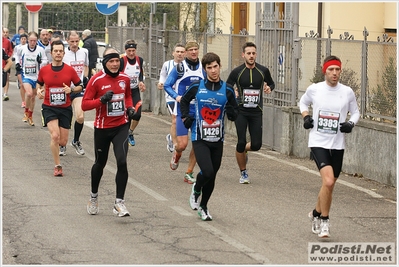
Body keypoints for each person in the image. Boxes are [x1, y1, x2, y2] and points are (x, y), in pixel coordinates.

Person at [300, 55, 360, 238]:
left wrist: (350, 124)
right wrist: (306, 117)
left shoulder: (347, 91)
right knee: (328, 181)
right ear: (324, 71)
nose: (334, 73)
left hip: (337, 143)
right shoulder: (315, 89)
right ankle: (324, 222)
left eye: (337, 70)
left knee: (330, 185)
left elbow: (356, 112)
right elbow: (303, 102)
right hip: (318, 141)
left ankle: (315, 213)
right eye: (331, 70)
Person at [181, 52, 238, 221]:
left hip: (218, 139)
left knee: (212, 175)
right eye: (209, 68)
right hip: (200, 137)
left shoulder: (227, 90)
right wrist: (186, 117)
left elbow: (235, 113)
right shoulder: (197, 86)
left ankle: (204, 206)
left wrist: (231, 112)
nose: (213, 70)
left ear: (220, 66)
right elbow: (184, 101)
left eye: (216, 66)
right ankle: (196, 189)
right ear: (204, 69)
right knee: (207, 171)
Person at [81, 48, 135, 217]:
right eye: (111, 61)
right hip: (103, 129)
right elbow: (85, 104)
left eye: (117, 61)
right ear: (105, 63)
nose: (114, 64)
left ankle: (119, 202)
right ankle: (94, 196)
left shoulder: (125, 78)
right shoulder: (96, 80)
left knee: (122, 161)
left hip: (121, 126)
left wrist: (130, 108)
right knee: (100, 163)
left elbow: (127, 96)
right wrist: (101, 100)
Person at [226, 41, 275, 184]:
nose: (251, 56)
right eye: (248, 53)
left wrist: (269, 88)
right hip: (241, 110)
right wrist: (233, 91)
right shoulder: (237, 72)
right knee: (241, 141)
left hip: (256, 112)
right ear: (243, 55)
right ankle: (243, 172)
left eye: (253, 53)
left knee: (257, 145)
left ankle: (244, 150)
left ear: (256, 54)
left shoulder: (263, 70)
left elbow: (271, 83)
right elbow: (228, 85)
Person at [36, 40, 84, 177]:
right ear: (51, 53)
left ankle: (61, 149)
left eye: (60, 51)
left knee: (63, 141)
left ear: (63, 53)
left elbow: (80, 86)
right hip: (49, 107)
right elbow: (38, 85)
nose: (58, 53)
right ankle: (58, 165)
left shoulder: (69, 70)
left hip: (65, 108)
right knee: (55, 136)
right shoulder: (44, 70)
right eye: (55, 51)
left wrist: (72, 89)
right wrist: (39, 91)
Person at [164, 41, 205, 184]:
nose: (193, 52)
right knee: (182, 145)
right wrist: (177, 97)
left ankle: (189, 172)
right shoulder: (180, 68)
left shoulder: (204, 68)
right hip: (183, 111)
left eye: (196, 49)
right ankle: (177, 153)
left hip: (200, 113)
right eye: (191, 50)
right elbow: (167, 85)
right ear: (186, 52)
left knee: (198, 144)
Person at [59, 30, 89, 156]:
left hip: (78, 89)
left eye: (77, 41)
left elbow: (86, 66)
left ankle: (76, 141)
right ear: (67, 41)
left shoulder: (84, 52)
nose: (75, 44)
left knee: (80, 117)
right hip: (65, 89)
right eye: (72, 41)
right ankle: (62, 144)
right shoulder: (63, 54)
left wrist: (85, 77)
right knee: (63, 119)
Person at [14, 31, 48, 126]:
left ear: (37, 41)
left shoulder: (41, 50)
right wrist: (17, 64)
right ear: (28, 40)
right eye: (31, 40)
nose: (32, 43)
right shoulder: (22, 48)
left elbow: (45, 60)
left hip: (36, 76)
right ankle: (26, 112)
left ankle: (30, 116)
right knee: (28, 94)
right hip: (26, 75)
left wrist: (41, 62)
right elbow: (16, 55)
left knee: (33, 97)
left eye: (34, 41)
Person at [158, 43, 186, 153]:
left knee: (183, 122)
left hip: (184, 98)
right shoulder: (167, 64)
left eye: (182, 52)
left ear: (185, 53)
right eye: (177, 51)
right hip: (171, 97)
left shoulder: (187, 66)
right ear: (173, 53)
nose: (179, 54)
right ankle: (175, 144)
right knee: (174, 119)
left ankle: (171, 136)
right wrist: (161, 83)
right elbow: (163, 76)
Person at [120, 39, 146, 146]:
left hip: (135, 91)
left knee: (137, 114)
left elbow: (140, 74)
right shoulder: (122, 61)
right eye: (129, 50)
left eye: (133, 50)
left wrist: (141, 82)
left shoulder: (139, 60)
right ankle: (122, 136)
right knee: (126, 115)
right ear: (125, 50)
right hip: (123, 92)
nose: (131, 53)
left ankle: (130, 132)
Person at [12, 33, 28, 107]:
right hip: (20, 67)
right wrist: (17, 63)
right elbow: (16, 55)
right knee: (22, 84)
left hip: (27, 67)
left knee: (26, 85)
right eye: (22, 39)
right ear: (20, 39)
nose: (23, 40)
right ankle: (23, 101)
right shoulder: (17, 47)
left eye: (25, 39)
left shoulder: (28, 47)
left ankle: (28, 99)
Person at [2, 27, 13, 101]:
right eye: (4, 32)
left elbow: (10, 50)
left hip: (5, 63)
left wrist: (7, 57)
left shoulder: (8, 42)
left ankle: (5, 93)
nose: (5, 34)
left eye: (7, 32)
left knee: (6, 78)